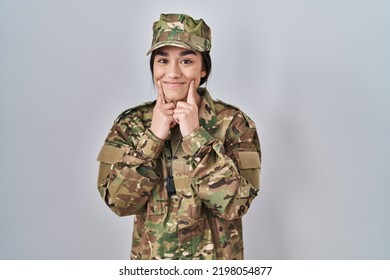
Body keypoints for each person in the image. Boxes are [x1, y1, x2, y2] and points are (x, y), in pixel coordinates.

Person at [97, 13, 261, 260]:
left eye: (186, 61)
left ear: (203, 69)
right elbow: (118, 203)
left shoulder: (234, 123)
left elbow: (235, 204)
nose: (172, 73)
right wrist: (152, 138)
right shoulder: (131, 124)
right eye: (162, 61)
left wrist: (195, 136)